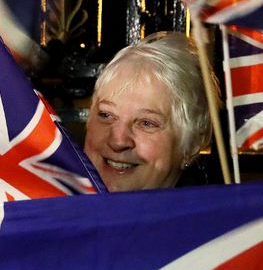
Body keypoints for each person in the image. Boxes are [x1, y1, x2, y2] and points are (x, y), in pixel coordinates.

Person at [82, 32, 214, 193]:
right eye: (106, 115)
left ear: (192, 144)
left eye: (146, 123)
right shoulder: (56, 208)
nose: (118, 141)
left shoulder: (212, 217)